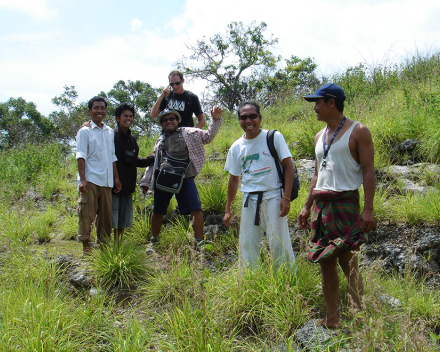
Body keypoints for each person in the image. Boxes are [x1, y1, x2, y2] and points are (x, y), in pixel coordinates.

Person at [297, 83, 375, 329]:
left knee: (347, 260)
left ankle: (360, 318)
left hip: (344, 202)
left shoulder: (358, 131)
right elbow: (317, 173)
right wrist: (307, 205)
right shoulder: (319, 136)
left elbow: (368, 171)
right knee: (325, 260)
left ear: (331, 103)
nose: (315, 108)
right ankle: (332, 319)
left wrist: (368, 209)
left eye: (318, 103)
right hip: (321, 204)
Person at [223, 101, 296, 272]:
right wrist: (228, 209)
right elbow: (234, 179)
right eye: (243, 117)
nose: (248, 120)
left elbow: (288, 166)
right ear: (239, 120)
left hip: (273, 197)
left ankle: (288, 282)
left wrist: (286, 197)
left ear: (259, 118)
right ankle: (249, 283)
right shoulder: (236, 147)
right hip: (249, 200)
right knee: (247, 244)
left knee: (279, 242)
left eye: (252, 116)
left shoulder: (273, 137)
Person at [140, 106, 223, 251]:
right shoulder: (160, 141)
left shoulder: (189, 133)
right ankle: (154, 242)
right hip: (163, 179)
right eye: (165, 120)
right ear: (162, 124)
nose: (168, 121)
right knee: (158, 210)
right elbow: (154, 162)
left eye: (172, 118)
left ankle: (199, 242)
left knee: (195, 209)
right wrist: (146, 181)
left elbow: (208, 136)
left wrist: (215, 120)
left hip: (186, 177)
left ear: (178, 120)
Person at [76, 96, 121, 255]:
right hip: (91, 179)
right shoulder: (84, 131)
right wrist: (83, 180)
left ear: (106, 111)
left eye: (102, 108)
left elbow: (112, 156)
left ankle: (103, 246)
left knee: (105, 216)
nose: (99, 111)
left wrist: (116, 178)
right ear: (89, 111)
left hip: (106, 181)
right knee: (86, 213)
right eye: (96, 108)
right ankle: (86, 246)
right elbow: (81, 155)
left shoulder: (109, 132)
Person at [112, 103, 154, 243]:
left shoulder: (132, 139)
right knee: (111, 219)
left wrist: (152, 158)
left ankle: (118, 246)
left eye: (131, 116)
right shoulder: (111, 136)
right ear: (118, 118)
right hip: (113, 187)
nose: (128, 118)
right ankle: (107, 249)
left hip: (128, 186)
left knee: (123, 220)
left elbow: (134, 160)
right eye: (125, 116)